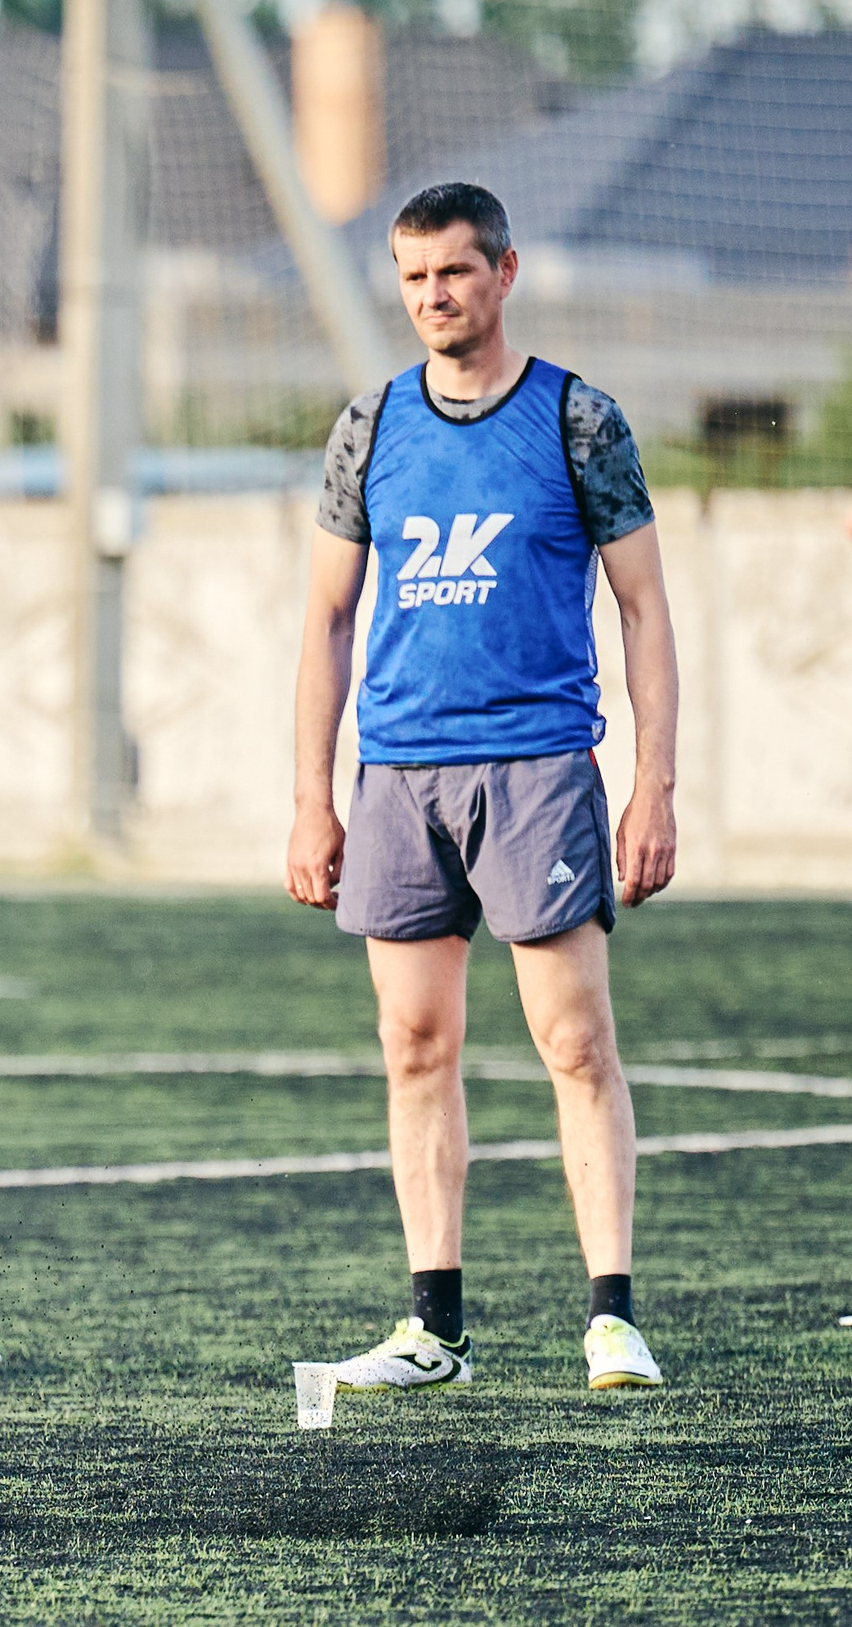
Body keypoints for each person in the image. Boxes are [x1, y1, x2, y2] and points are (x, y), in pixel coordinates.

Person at [286, 182, 678, 1395]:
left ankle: (610, 1314)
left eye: (451, 273)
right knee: (414, 1044)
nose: (430, 298)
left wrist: (652, 785)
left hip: (538, 769)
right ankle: (432, 1327)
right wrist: (312, 795)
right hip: (400, 774)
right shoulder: (370, 424)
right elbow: (328, 617)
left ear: (502, 272)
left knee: (573, 1039)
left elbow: (645, 607)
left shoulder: (578, 419)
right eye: (410, 279)